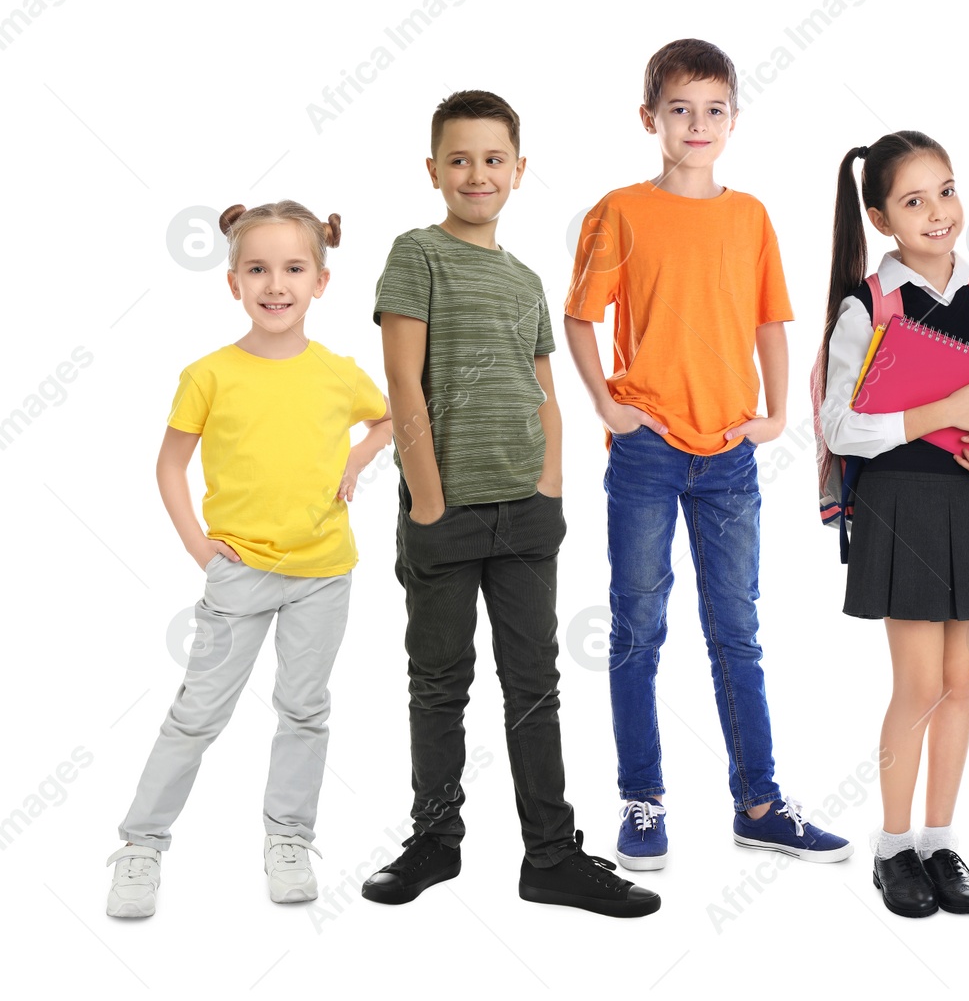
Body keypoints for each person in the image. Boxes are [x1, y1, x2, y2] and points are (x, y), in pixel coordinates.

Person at [363, 90, 658, 917]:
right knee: (439, 681)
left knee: (534, 684)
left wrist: (550, 484)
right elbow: (402, 383)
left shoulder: (527, 280)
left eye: (493, 159)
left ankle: (552, 856)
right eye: (459, 159)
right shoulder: (415, 256)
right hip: (445, 514)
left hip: (526, 515)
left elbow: (545, 391)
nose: (477, 174)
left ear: (519, 171)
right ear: (433, 171)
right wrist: (426, 499)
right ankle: (434, 840)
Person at [564, 39, 851, 872]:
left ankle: (759, 804)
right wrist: (608, 405)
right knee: (637, 629)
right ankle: (642, 802)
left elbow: (771, 320)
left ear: (732, 118)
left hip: (728, 453)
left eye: (714, 109)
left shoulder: (749, 215)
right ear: (649, 118)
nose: (698, 124)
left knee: (738, 632)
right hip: (647, 449)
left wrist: (769, 416)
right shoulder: (620, 211)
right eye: (680, 109)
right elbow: (581, 316)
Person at [107, 201, 392, 917]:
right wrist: (201, 548)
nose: (276, 284)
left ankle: (288, 838)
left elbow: (392, 417)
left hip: (324, 572)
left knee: (304, 708)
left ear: (321, 280)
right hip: (239, 573)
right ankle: (141, 845)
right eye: (258, 269)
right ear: (233, 282)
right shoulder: (209, 375)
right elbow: (170, 467)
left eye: (294, 268)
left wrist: (357, 457)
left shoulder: (337, 373)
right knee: (199, 712)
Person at [819, 130, 969, 917]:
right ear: (881, 218)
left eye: (946, 190)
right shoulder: (867, 306)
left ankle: (940, 841)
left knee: (961, 682)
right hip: (901, 503)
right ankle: (893, 848)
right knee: (917, 683)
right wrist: (936, 412)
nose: (938, 212)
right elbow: (840, 425)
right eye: (914, 200)